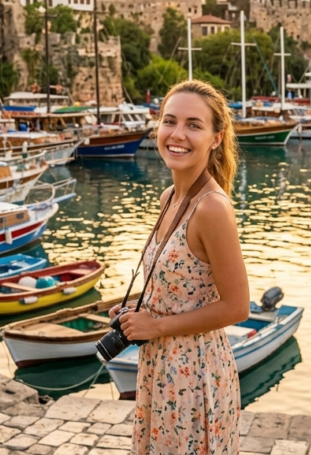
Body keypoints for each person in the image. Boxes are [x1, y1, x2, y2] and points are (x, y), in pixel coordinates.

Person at [110, 79, 248, 454]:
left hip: (194, 373)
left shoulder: (213, 208)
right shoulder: (169, 197)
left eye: (194, 125)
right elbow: (180, 283)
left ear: (216, 138)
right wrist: (138, 310)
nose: (178, 134)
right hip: (159, 366)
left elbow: (237, 306)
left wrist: (156, 325)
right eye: (170, 121)